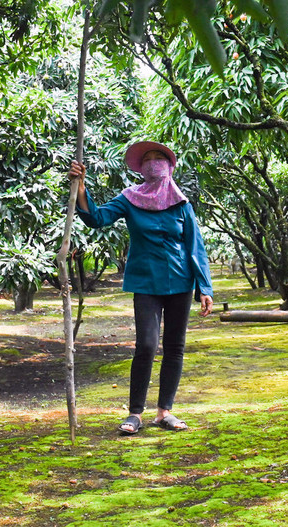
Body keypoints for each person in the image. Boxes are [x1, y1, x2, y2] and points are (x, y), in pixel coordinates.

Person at [69, 140, 214, 435]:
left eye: (159, 157)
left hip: (180, 283)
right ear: (141, 169)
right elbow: (97, 218)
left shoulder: (181, 204)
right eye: (147, 159)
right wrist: (81, 186)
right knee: (146, 345)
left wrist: (204, 287)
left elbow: (194, 247)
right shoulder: (130, 198)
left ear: (170, 166)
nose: (153, 162)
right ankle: (135, 413)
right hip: (145, 283)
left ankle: (164, 412)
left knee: (175, 347)